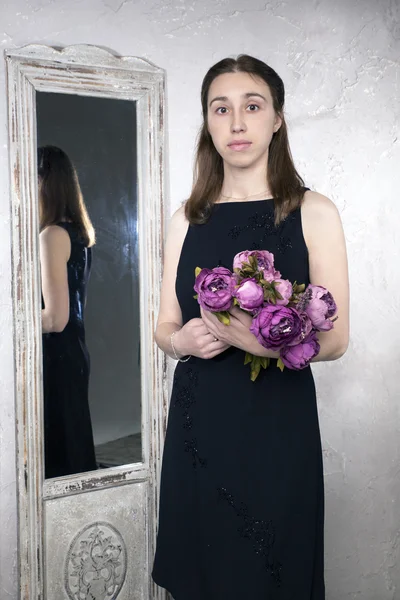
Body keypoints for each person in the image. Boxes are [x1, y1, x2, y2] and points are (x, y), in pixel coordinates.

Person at [151, 55, 349, 599]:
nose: (236, 122)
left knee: (273, 574)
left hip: (278, 431)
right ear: (208, 122)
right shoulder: (186, 217)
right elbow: (164, 326)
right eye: (222, 109)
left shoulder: (314, 211)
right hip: (199, 425)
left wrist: (259, 339)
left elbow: (336, 339)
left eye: (252, 106)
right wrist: (180, 341)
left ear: (277, 118)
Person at [39, 145, 98, 479]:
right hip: (75, 352)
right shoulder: (79, 233)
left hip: (56, 355)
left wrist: (12, 322)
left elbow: (55, 319)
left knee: (60, 456)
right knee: (72, 449)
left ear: (45, 181)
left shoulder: (51, 236)